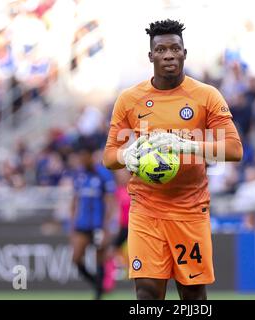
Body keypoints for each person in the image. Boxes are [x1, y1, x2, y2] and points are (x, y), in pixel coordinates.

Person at [103, 19, 243, 300]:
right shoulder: (129, 99)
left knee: (192, 295)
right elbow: (109, 158)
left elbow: (233, 150)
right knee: (147, 293)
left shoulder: (206, 96)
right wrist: (127, 155)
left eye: (175, 48)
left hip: (190, 212)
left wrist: (185, 145)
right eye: (161, 49)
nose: (169, 55)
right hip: (145, 211)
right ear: (151, 56)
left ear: (184, 53)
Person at [70, 145, 116, 299]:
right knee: (76, 258)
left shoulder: (103, 175)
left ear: (90, 156)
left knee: (99, 259)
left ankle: (98, 294)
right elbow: (75, 200)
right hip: (82, 225)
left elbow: (110, 202)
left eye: (84, 156)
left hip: (98, 225)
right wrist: (72, 223)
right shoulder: (79, 175)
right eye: (80, 156)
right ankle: (98, 285)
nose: (82, 160)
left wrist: (107, 227)